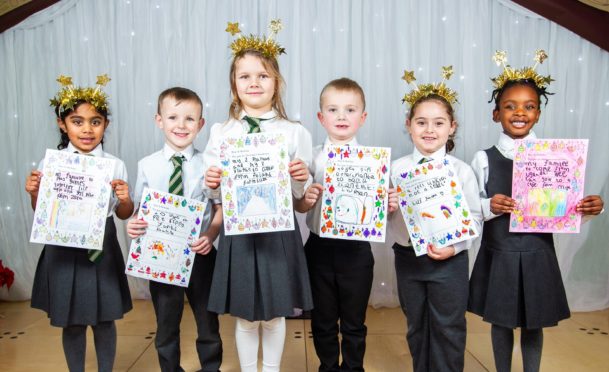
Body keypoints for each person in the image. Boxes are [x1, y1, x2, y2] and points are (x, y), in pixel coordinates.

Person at [468, 50, 604, 372]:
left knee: (534, 323)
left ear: (539, 114)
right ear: (495, 113)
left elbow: (564, 209)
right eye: (510, 106)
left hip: (537, 252)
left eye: (529, 106)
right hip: (498, 252)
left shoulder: (557, 158)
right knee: (500, 321)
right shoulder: (483, 159)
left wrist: (585, 207)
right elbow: (468, 209)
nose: (519, 113)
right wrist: (489, 205)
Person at [203, 20, 313, 372]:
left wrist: (300, 177)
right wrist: (212, 181)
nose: (254, 82)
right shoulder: (222, 132)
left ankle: (271, 370)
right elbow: (213, 190)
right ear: (234, 86)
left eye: (263, 76)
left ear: (276, 83)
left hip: (278, 232)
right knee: (247, 315)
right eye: (245, 76)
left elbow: (300, 195)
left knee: (275, 313)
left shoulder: (293, 132)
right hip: (239, 234)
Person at [26, 75, 133, 372]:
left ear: (105, 125)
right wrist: (35, 194)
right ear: (62, 124)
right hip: (63, 245)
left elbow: (123, 213)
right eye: (77, 121)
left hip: (102, 244)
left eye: (95, 121)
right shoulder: (51, 163)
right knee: (71, 319)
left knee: (104, 318)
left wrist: (125, 199)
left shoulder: (115, 164)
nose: (87, 129)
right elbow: (41, 212)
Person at [294, 77, 397, 371]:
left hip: (357, 252)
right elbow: (299, 207)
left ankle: (354, 367)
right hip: (319, 249)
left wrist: (390, 205)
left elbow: (385, 214)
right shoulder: (311, 158)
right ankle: (327, 366)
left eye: (350, 110)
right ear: (321, 117)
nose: (341, 116)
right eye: (333, 110)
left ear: (362, 118)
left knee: (354, 321)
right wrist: (306, 198)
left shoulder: (375, 162)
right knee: (323, 319)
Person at [388, 67, 482, 372]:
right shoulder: (395, 170)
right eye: (421, 122)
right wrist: (387, 208)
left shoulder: (462, 171)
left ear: (451, 127)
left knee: (449, 328)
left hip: (450, 262)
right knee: (416, 325)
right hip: (408, 259)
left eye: (438, 123)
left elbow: (476, 220)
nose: (430, 130)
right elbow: (386, 222)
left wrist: (453, 249)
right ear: (409, 126)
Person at [126, 87, 222, 372]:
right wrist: (133, 224)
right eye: (173, 117)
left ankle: (211, 367)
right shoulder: (147, 165)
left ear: (201, 124)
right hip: (161, 257)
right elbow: (139, 209)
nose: (181, 125)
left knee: (208, 322)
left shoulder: (210, 164)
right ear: (159, 121)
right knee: (166, 323)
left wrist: (210, 235)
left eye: (190, 119)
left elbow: (219, 211)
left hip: (201, 256)